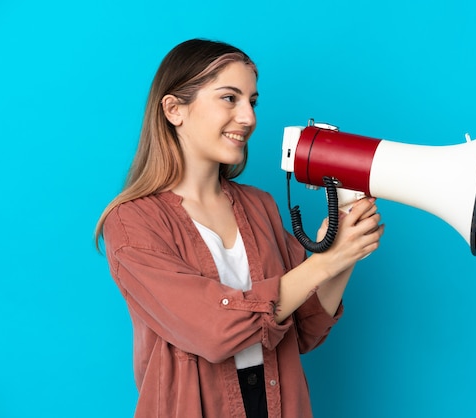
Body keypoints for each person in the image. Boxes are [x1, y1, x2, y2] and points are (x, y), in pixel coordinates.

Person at [94, 38, 384, 418]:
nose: (249, 118)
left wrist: (344, 248)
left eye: (253, 101)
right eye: (229, 98)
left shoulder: (258, 205)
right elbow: (214, 331)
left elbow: (304, 328)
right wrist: (324, 264)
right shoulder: (133, 223)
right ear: (173, 109)